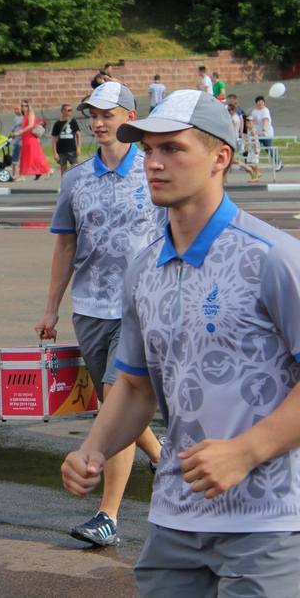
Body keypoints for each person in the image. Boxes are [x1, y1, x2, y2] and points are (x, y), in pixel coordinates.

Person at [63, 89, 300, 597]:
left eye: (172, 149)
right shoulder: (144, 268)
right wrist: (93, 449)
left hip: (271, 519)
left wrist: (245, 452)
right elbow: (135, 386)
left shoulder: (273, 258)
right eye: (149, 150)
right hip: (175, 518)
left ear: (220, 158)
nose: (154, 163)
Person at [35, 81, 165, 547]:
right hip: (89, 308)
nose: (98, 122)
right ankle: (163, 456)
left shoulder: (152, 170)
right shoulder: (76, 179)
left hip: (140, 307)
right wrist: (51, 309)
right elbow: (66, 245)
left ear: (130, 116)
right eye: (93, 114)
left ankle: (107, 515)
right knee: (113, 405)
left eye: (107, 114)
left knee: (115, 399)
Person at [15, 101, 52, 181]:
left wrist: (20, 131)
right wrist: (17, 132)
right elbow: (24, 126)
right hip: (25, 138)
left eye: (25, 106)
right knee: (24, 156)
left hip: (31, 138)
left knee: (36, 156)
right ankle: (22, 176)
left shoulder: (31, 114)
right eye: (22, 106)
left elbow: (30, 125)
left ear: (28, 106)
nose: (24, 107)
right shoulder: (24, 115)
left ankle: (48, 170)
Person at [251, 95, 281, 171]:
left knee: (269, 148)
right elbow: (252, 121)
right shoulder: (254, 111)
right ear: (256, 103)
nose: (260, 103)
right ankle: (253, 164)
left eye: (262, 101)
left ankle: (279, 162)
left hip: (266, 133)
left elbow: (266, 121)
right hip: (257, 133)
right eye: (259, 102)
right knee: (255, 148)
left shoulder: (265, 110)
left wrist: (263, 130)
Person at [50, 104, 82, 175]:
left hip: (72, 149)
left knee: (75, 167)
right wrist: (55, 153)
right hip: (61, 150)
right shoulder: (57, 124)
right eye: (68, 110)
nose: (70, 112)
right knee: (63, 169)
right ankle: (64, 181)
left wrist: (78, 148)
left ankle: (75, 181)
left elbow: (78, 135)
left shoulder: (73, 122)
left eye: (71, 110)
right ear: (63, 111)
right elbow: (54, 139)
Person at [9, 106, 23, 178]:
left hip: (20, 141)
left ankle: (14, 176)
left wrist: (16, 133)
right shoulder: (16, 118)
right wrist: (11, 133)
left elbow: (23, 128)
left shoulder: (23, 118)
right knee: (15, 158)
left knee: (16, 158)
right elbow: (14, 128)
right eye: (15, 109)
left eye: (17, 109)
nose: (16, 111)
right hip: (15, 140)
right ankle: (14, 175)